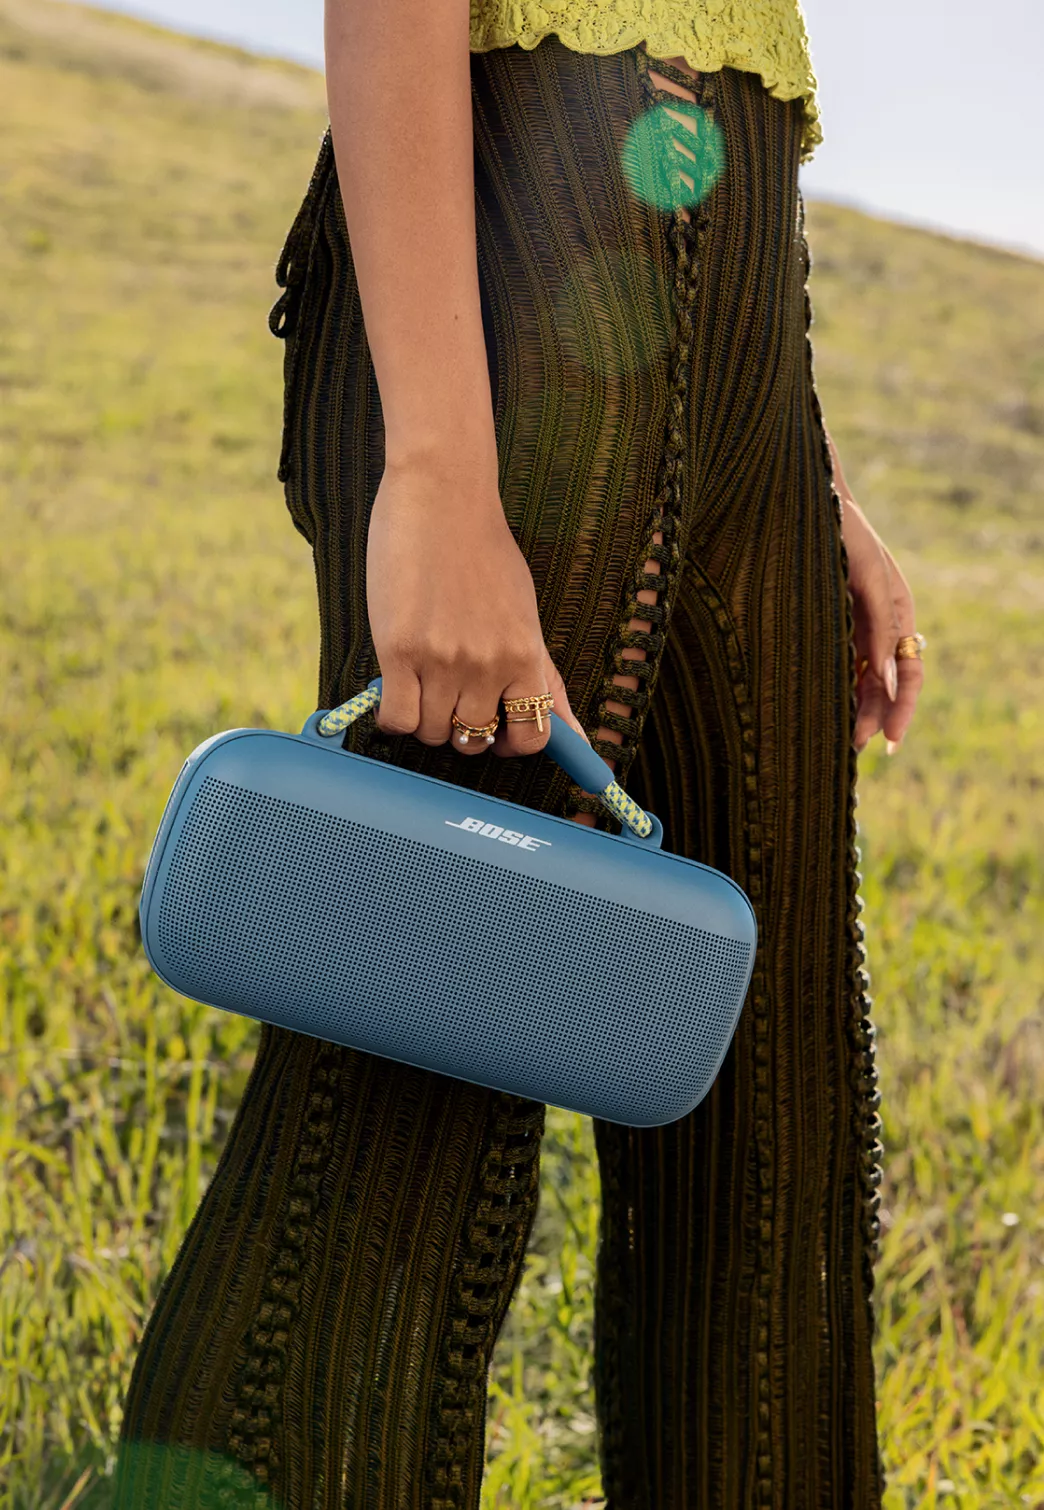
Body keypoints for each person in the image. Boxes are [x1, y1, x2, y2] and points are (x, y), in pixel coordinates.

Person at [112, 0, 926, 1505]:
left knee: (776, 1122)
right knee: (409, 1092)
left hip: (739, 297)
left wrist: (810, 467)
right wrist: (433, 465)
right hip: (510, 244)